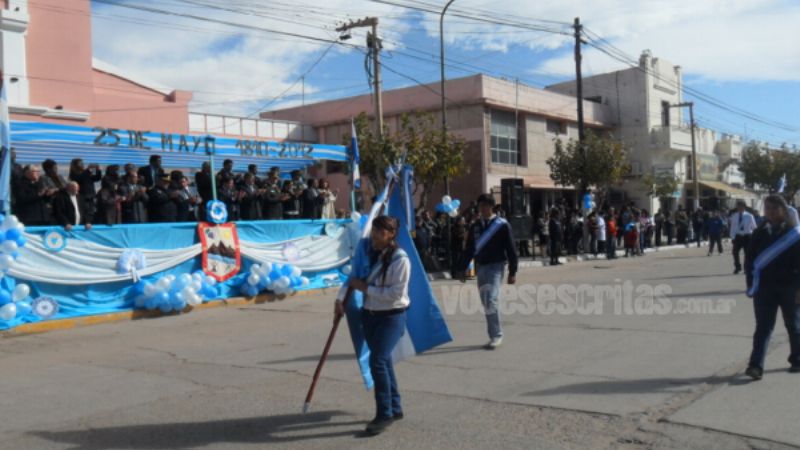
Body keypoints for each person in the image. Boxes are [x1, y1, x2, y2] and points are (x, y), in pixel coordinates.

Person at [334, 216, 411, 436]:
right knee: (383, 361)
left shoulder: (400, 259)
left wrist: (366, 289)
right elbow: (353, 278)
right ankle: (395, 407)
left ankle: (384, 413)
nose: (375, 235)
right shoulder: (369, 254)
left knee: (377, 361)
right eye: (374, 230)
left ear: (391, 234)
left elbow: (396, 294)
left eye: (380, 232)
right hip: (370, 315)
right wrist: (340, 300)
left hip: (391, 317)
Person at [744, 195, 800, 380]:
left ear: (784, 210)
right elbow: (750, 259)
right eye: (767, 208)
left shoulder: (794, 233)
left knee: (794, 325)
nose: (770, 212)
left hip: (790, 286)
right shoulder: (759, 232)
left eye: (775, 208)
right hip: (765, 288)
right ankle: (755, 366)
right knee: (763, 327)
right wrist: (751, 284)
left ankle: (797, 360)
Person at [458, 194, 517, 349]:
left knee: (491, 299)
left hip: (496, 266)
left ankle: (497, 335)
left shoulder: (502, 225)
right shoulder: (475, 226)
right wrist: (462, 268)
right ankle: (493, 334)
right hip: (481, 266)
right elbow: (470, 249)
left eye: (485, 205)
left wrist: (513, 271)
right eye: (480, 206)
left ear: (491, 206)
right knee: (486, 301)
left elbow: (511, 248)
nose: (482, 209)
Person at [730, 200, 757, 275]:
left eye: (741, 206)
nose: (739, 207)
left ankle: (746, 268)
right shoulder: (734, 216)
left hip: (747, 236)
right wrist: (732, 237)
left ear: (744, 207)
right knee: (735, 252)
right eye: (738, 206)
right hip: (738, 236)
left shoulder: (749, 216)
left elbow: (754, 227)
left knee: (747, 253)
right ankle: (737, 267)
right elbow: (732, 227)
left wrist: (754, 237)